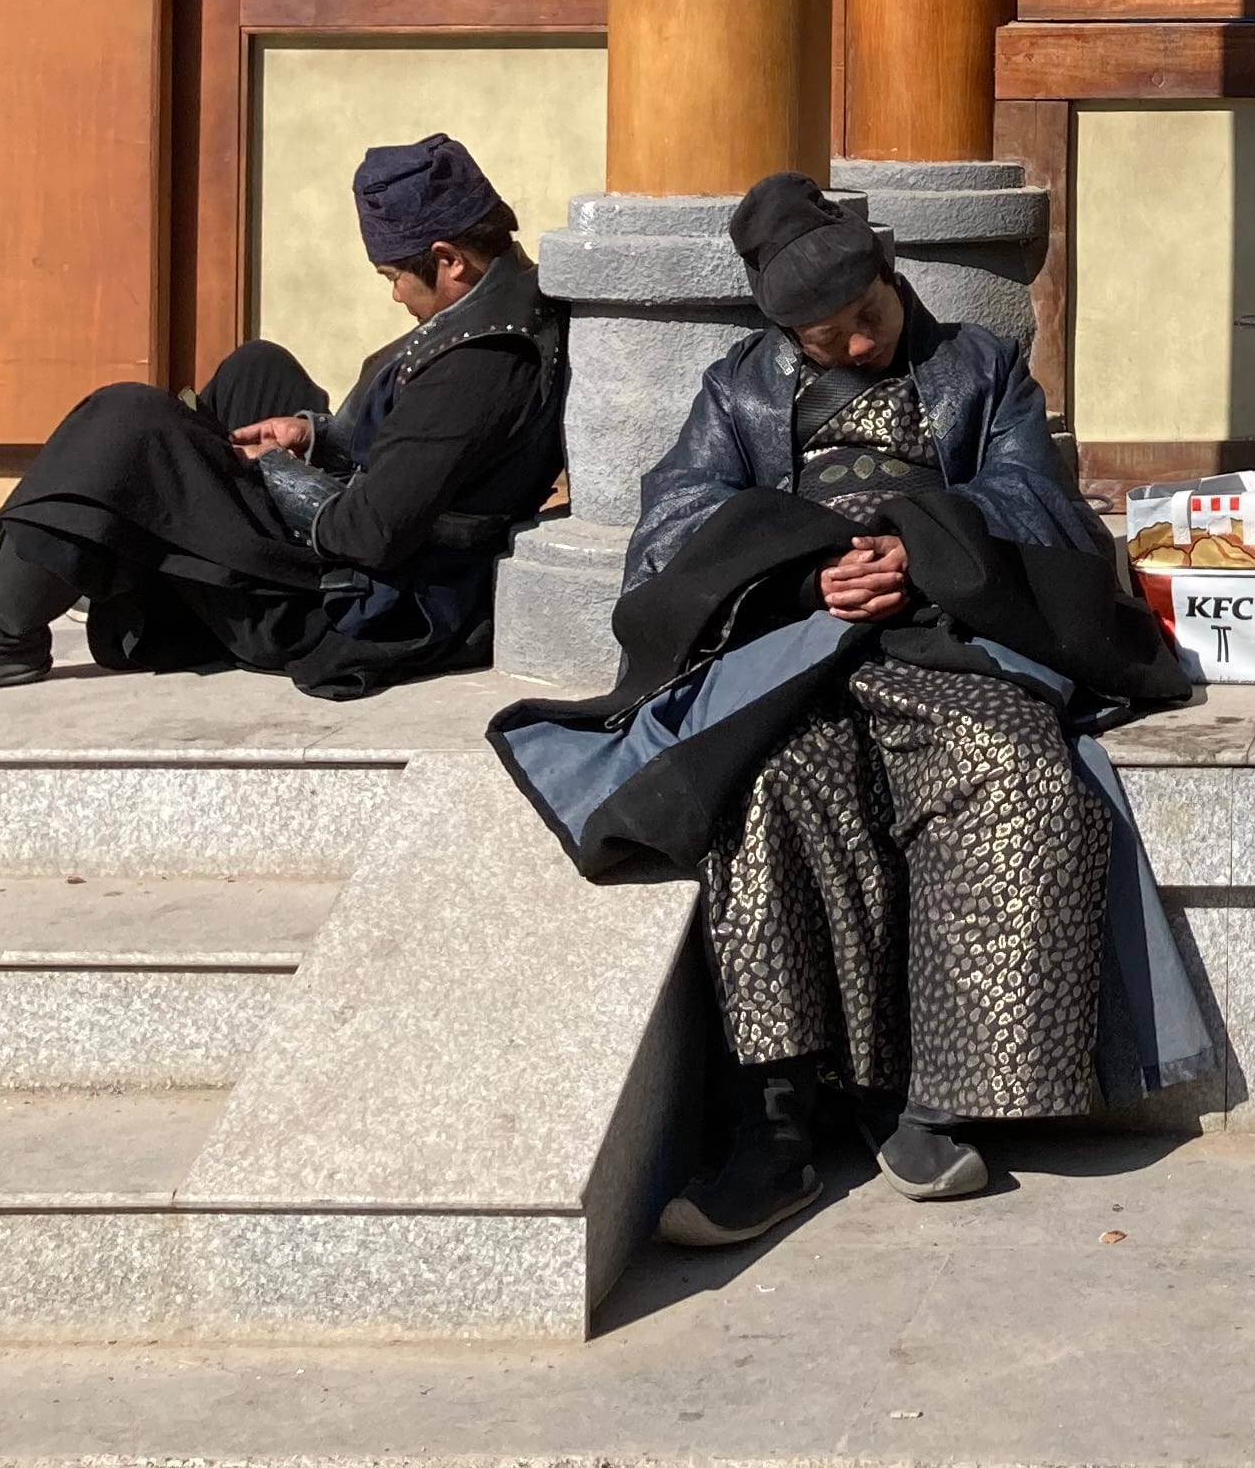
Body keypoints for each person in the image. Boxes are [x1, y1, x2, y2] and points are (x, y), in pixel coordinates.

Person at [491, 173, 1208, 1252]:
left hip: (945, 637)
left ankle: (939, 1102)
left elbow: (1038, 504)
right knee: (771, 784)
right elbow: (673, 529)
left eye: (866, 320)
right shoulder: (734, 394)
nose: (856, 349)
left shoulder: (980, 366)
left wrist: (921, 546)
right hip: (794, 653)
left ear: (891, 275)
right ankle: (774, 1120)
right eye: (822, 341)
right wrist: (801, 573)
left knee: (1017, 775)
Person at [0, 134, 566, 702]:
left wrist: (268, 470)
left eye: (395, 281)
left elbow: (367, 533)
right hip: (383, 527)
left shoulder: (480, 365)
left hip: (358, 600)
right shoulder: (506, 298)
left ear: (448, 260)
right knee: (258, 365)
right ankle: (101, 537)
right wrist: (313, 433)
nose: (395, 299)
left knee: (129, 421)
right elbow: (419, 451)